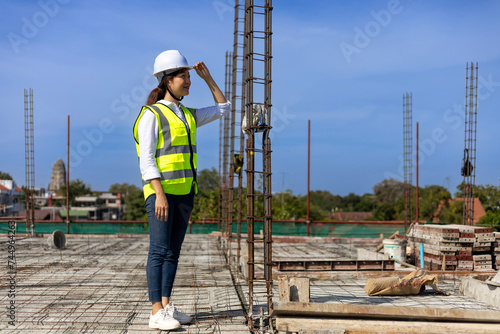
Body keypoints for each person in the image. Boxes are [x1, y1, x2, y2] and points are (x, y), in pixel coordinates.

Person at [133, 50, 230, 330]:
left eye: (189, 75)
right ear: (167, 81)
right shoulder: (151, 114)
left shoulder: (187, 114)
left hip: (186, 192)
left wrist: (208, 78)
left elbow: (224, 108)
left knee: (173, 252)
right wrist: (159, 193)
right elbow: (146, 158)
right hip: (161, 194)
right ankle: (155, 312)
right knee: (159, 251)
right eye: (183, 76)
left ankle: (166, 306)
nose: (188, 81)